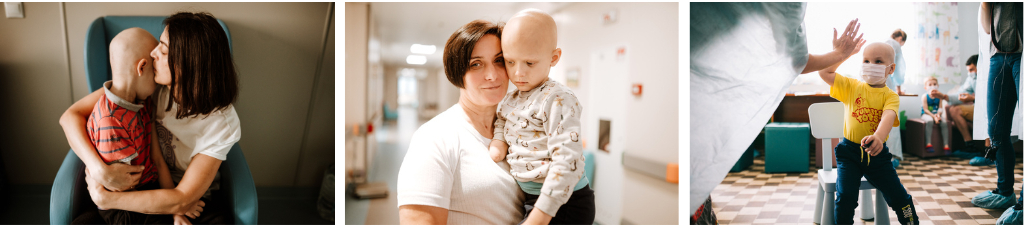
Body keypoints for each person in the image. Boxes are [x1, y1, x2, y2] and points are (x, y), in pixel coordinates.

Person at [60, 12, 241, 225]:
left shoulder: (221, 124)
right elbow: (70, 116)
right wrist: (101, 170)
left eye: (163, 50)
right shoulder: (148, 86)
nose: (153, 53)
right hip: (143, 187)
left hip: (188, 199)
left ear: (187, 67)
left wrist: (107, 198)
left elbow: (182, 198)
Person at [396, 19, 525, 225]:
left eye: (499, 60)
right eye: (476, 64)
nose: (492, 75)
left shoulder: (518, 127)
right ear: (457, 73)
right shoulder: (434, 138)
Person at [488, 9, 594, 225]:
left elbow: (567, 162)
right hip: (531, 196)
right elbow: (502, 119)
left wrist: (539, 217)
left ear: (553, 58)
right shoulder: (511, 98)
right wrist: (499, 140)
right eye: (510, 62)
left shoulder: (557, 99)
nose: (518, 73)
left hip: (564, 201)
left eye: (529, 63)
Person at [82, 27, 180, 225]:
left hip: (145, 187)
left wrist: (176, 207)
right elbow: (124, 189)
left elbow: (157, 158)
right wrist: (170, 206)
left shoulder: (142, 103)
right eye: (154, 72)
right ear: (141, 68)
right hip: (122, 205)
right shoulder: (110, 122)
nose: (157, 83)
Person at [817, 39, 920, 224]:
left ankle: (911, 222)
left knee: (900, 198)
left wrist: (879, 137)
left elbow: (888, 116)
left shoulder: (890, 96)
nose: (871, 65)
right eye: (866, 60)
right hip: (849, 154)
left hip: (877, 155)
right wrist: (842, 54)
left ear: (891, 69)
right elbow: (824, 71)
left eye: (878, 61)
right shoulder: (852, 86)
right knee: (846, 198)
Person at [972, 3, 1022, 224]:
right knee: (996, 130)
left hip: (1021, 54)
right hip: (998, 55)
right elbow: (986, 28)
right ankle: (1004, 192)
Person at [931, 55, 989, 160]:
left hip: (989, 109)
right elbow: (960, 95)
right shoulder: (972, 78)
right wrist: (943, 96)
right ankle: (970, 147)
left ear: (979, 67)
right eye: (968, 70)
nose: (969, 72)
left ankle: (988, 153)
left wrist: (972, 98)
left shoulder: (989, 75)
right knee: (954, 109)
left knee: (985, 113)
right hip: (978, 109)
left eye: (971, 69)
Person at [920, 77, 949, 152]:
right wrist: (934, 117)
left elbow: (940, 108)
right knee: (929, 121)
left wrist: (938, 115)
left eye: (934, 84)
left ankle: (946, 145)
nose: (932, 86)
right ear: (925, 87)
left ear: (938, 85)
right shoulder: (924, 96)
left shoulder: (939, 97)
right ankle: (928, 143)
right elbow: (926, 110)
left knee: (944, 122)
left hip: (936, 115)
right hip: (927, 115)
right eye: (930, 84)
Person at [886, 29, 908, 95]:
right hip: (885, 79)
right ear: (900, 38)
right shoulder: (896, 45)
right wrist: (899, 90)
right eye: (902, 44)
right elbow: (898, 69)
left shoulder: (882, 41)